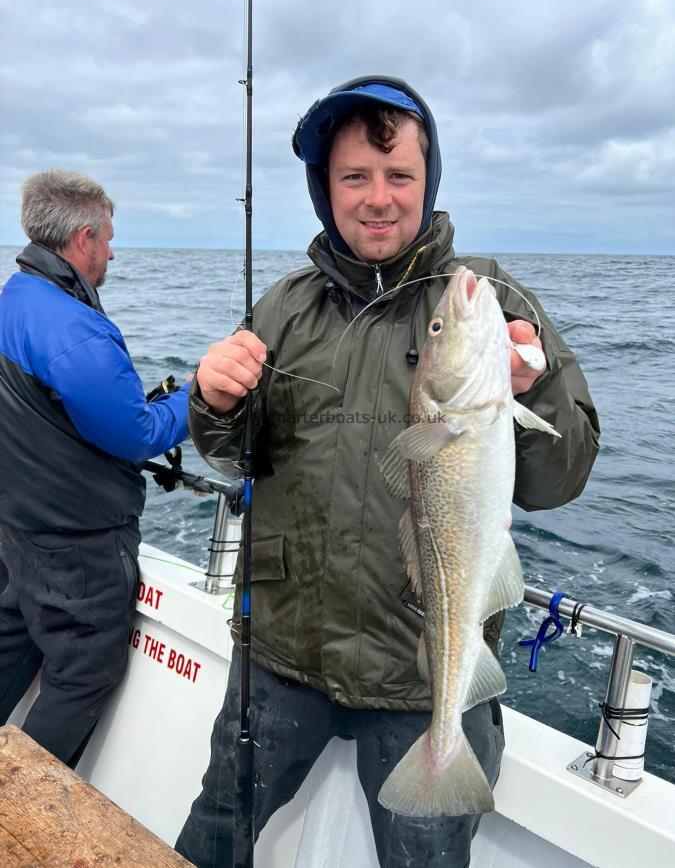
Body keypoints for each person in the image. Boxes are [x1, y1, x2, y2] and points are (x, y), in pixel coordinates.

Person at [176, 77, 600, 867]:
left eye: (398, 175)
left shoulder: (486, 299)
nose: (377, 198)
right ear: (324, 190)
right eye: (353, 178)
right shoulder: (282, 308)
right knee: (212, 836)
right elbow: (232, 457)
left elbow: (559, 478)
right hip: (278, 657)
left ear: (427, 181)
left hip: (421, 674)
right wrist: (215, 400)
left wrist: (528, 384)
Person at [0, 169, 190, 768]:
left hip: (18, 532)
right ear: (83, 238)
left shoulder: (13, 298)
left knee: (11, 642)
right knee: (85, 672)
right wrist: (199, 396)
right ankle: (22, 821)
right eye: (108, 237)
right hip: (78, 548)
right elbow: (137, 435)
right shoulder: (72, 329)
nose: (111, 250)